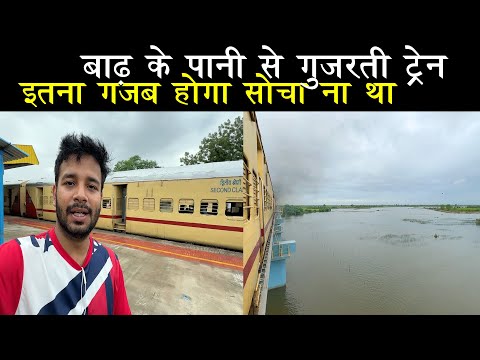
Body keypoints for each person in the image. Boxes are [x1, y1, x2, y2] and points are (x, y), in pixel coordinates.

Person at [0, 133, 131, 315]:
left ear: (101, 197)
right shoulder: (12, 260)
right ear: (54, 194)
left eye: (92, 186)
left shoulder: (111, 264)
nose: (81, 195)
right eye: (70, 183)